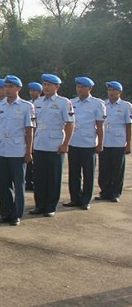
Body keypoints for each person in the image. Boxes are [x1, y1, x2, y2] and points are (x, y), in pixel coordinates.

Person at [30, 74, 74, 217]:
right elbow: (33, 124)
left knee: (53, 177)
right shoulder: (37, 102)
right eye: (44, 84)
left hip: (55, 145)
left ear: (57, 87)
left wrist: (65, 144)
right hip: (39, 143)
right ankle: (40, 205)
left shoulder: (64, 102)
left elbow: (69, 124)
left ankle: (50, 206)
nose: (46, 87)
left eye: (49, 85)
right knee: (39, 177)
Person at [0, 75, 34, 226]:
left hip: (17, 150)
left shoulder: (26, 106)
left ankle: (16, 214)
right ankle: (5, 213)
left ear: (18, 88)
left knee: (18, 183)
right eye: (6, 86)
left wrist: (29, 151)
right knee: (3, 184)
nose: (7, 89)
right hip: (2, 148)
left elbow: (29, 130)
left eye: (11, 87)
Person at [64, 77, 105, 210]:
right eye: (78, 86)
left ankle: (85, 200)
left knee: (88, 173)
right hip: (74, 141)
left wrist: (100, 143)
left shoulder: (97, 103)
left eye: (82, 87)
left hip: (88, 143)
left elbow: (100, 126)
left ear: (90, 89)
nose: (79, 89)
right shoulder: (71, 102)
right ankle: (75, 198)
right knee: (74, 173)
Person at [96, 81, 132, 202]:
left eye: (113, 90)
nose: (111, 92)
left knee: (117, 169)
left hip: (118, 141)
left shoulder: (126, 106)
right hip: (105, 140)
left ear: (119, 92)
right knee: (104, 168)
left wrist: (128, 143)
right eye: (109, 90)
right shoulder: (103, 104)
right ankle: (104, 191)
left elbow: (128, 125)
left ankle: (115, 193)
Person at [25, 81, 43, 191]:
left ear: (39, 92)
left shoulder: (42, 103)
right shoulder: (27, 104)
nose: (32, 93)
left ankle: (35, 181)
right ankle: (29, 182)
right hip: (29, 135)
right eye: (31, 90)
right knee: (28, 161)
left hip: (39, 134)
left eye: (34, 91)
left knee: (37, 162)